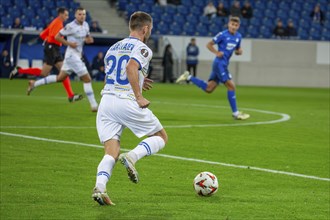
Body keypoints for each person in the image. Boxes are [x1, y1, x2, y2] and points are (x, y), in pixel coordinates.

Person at [91, 11, 168, 206]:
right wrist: (139, 95)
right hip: (126, 101)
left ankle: (100, 187)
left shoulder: (113, 47)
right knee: (161, 137)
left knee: (111, 152)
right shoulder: (143, 48)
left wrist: (140, 81)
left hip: (106, 102)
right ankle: (132, 157)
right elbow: (130, 68)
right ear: (145, 28)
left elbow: (117, 73)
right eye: (150, 28)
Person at [176, 16, 250, 120]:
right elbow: (209, 44)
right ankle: (236, 113)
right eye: (232, 24)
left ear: (238, 26)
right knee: (231, 86)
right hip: (219, 64)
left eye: (236, 25)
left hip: (224, 64)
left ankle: (188, 77)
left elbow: (237, 49)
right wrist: (216, 52)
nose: (233, 27)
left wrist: (239, 51)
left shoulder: (238, 36)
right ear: (228, 24)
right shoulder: (222, 35)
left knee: (209, 88)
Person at [26, 7, 98, 112]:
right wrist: (69, 44)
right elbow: (57, 37)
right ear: (75, 15)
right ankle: (94, 105)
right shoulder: (70, 26)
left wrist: (89, 40)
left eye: (83, 14)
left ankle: (34, 84)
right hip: (72, 56)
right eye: (79, 14)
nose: (82, 16)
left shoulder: (86, 25)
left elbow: (87, 37)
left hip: (76, 56)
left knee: (60, 78)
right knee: (87, 79)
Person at [9, 8, 82, 103]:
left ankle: (71, 95)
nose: (67, 17)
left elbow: (43, 34)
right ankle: (19, 71)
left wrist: (48, 41)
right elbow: (55, 37)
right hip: (52, 48)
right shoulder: (58, 23)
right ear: (60, 14)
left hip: (54, 48)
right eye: (66, 15)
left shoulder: (55, 22)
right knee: (45, 73)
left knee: (64, 72)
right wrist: (68, 43)